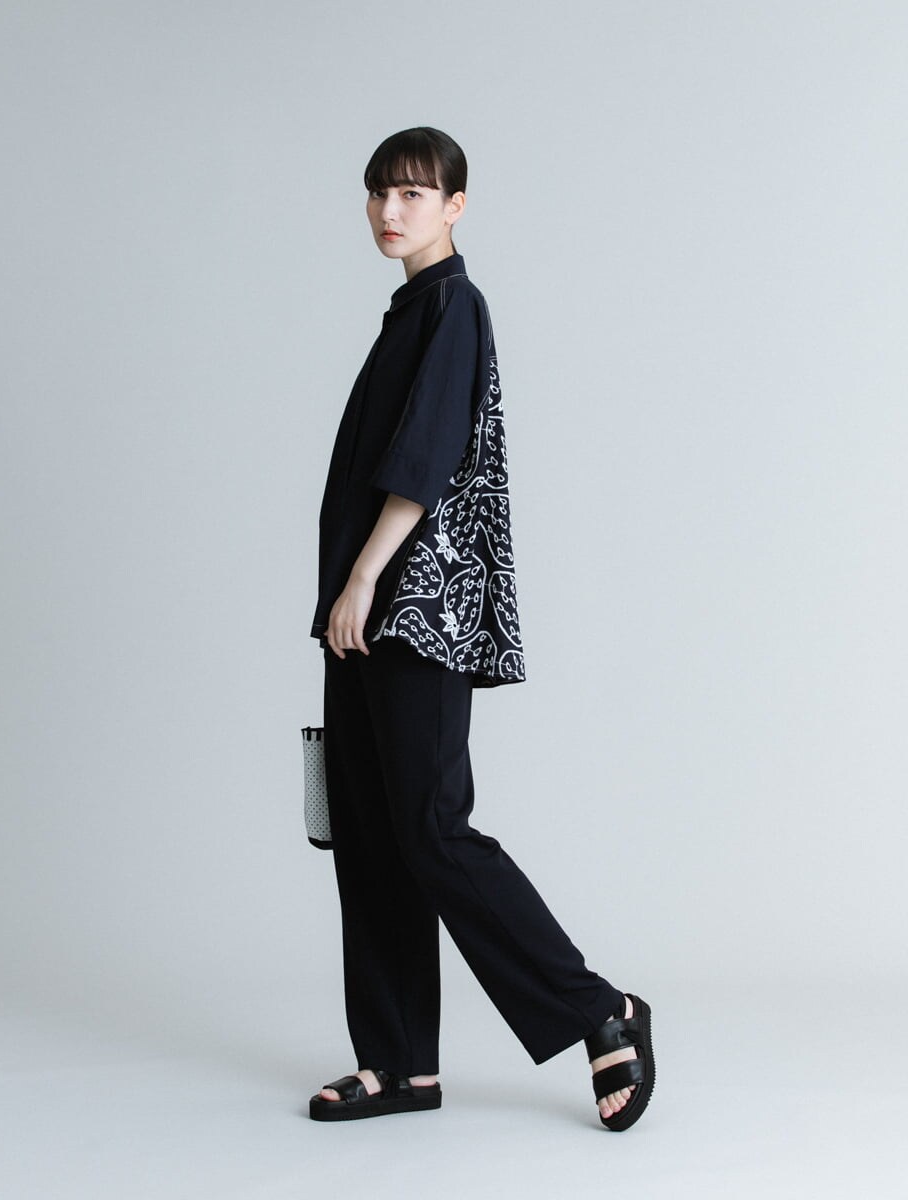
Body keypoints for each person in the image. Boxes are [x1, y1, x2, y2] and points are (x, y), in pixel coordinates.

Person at [307, 127, 656, 1131]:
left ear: (456, 206)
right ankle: (398, 1065)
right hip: (362, 617)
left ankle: (600, 1011)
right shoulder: (407, 313)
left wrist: (362, 580)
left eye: (414, 194)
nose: (390, 211)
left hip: (412, 610)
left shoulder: (453, 306)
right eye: (379, 192)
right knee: (368, 834)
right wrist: (345, 598)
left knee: (430, 829)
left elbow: (425, 460)